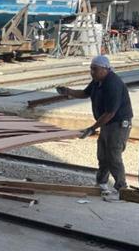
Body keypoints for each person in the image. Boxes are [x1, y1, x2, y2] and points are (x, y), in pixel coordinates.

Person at [56, 55, 133, 193]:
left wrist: (92, 128)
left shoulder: (112, 84)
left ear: (105, 69)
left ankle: (121, 188)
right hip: (107, 123)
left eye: (94, 69)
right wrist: (68, 91)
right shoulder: (97, 81)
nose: (92, 72)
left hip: (118, 124)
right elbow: (85, 93)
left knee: (113, 155)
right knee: (103, 154)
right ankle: (101, 183)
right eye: (91, 69)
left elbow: (110, 113)